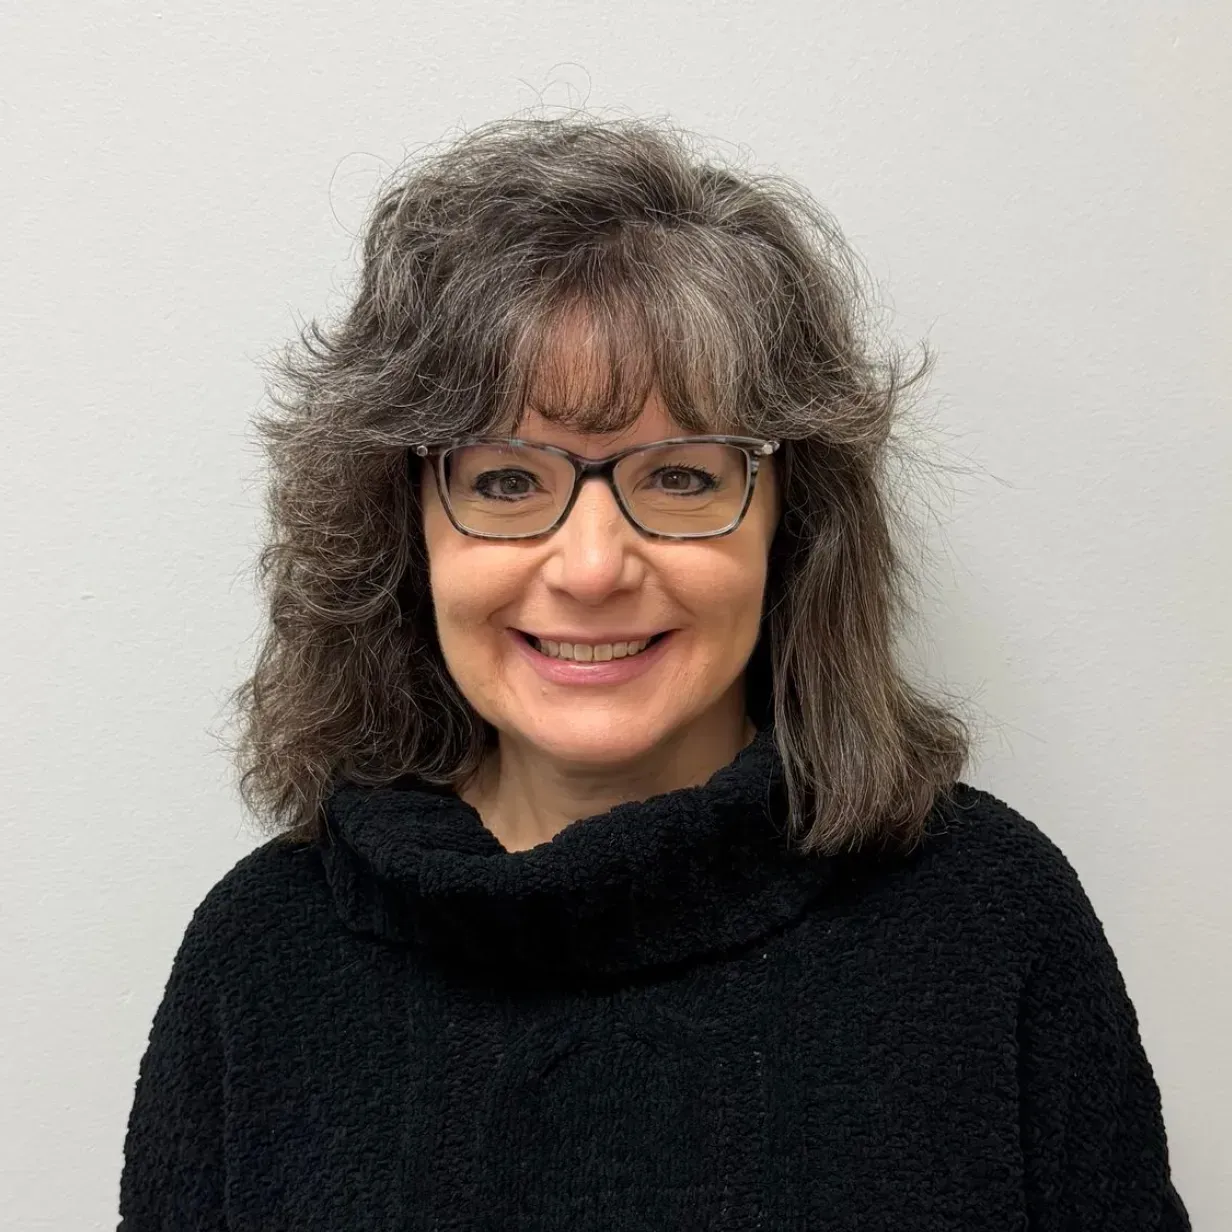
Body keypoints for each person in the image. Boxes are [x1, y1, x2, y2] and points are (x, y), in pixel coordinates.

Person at [117, 114, 1190, 1230]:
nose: (589, 565)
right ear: (403, 527)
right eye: (503, 481)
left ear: (791, 526)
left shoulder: (987, 920)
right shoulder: (260, 961)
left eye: (680, 477)